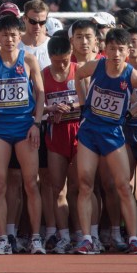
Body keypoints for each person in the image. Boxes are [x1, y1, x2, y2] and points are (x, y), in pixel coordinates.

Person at [73, 28, 137, 255]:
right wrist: (83, 106)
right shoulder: (97, 66)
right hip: (90, 131)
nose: (116, 54)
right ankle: (87, 238)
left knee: (123, 186)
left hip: (112, 133)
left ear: (127, 52)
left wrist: (131, 112)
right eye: (112, 49)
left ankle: (132, 238)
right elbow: (78, 75)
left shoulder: (131, 75)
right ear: (105, 49)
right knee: (85, 183)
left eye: (121, 50)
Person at [0, 14, 46, 255]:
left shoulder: (29, 60)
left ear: (20, 37)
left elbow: (40, 94)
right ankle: (4, 238)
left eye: (13, 35)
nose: (9, 39)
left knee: (31, 183)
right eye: (5, 35)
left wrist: (36, 124)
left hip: (24, 127)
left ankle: (36, 238)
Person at [41, 34, 81, 255]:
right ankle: (63, 236)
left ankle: (83, 234)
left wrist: (70, 105)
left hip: (78, 132)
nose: (63, 64)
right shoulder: (43, 75)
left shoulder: (78, 70)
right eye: (58, 61)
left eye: (66, 59)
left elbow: (88, 100)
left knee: (79, 187)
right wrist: (51, 109)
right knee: (58, 189)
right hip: (56, 134)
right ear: (50, 57)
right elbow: (36, 106)